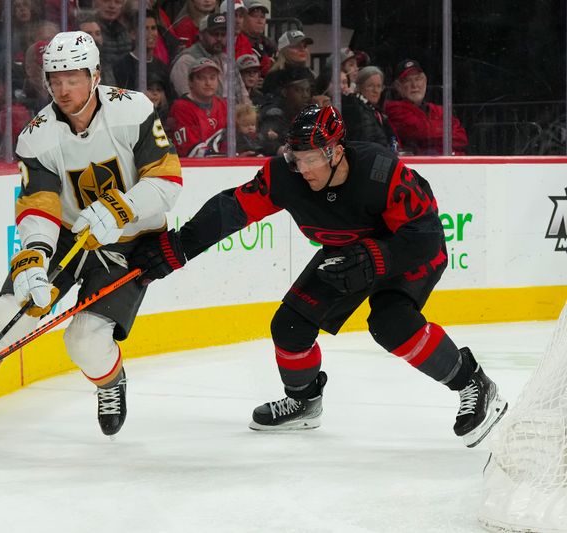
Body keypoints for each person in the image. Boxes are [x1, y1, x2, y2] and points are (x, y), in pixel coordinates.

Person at [129, 104, 508, 448]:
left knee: (391, 323)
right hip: (348, 255)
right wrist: (176, 248)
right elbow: (232, 209)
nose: (304, 168)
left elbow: (425, 237)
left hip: (405, 254)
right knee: (290, 327)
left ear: (336, 151)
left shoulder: (381, 172)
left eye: (312, 158)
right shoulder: (284, 176)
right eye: (298, 158)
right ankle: (304, 401)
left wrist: (377, 256)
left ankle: (472, 382)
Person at [0, 30, 182, 440]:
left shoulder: (133, 110)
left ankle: (111, 382)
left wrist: (119, 209)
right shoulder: (37, 136)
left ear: (95, 75)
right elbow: (39, 206)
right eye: (55, 79)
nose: (64, 89)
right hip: (70, 238)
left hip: (129, 243)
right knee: (6, 313)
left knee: (85, 340)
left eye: (73, 78)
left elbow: (166, 182)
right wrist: (34, 256)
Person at [384, 59, 469, 155]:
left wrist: (433, 132)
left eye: (418, 79)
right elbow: (422, 132)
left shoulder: (439, 110)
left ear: (425, 81)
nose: (415, 85)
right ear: (398, 86)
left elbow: (462, 138)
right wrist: (446, 132)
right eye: (407, 80)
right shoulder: (394, 109)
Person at [169, 12, 250, 106]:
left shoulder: (227, 60)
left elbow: (243, 98)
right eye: (214, 34)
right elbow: (189, 103)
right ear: (201, 35)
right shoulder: (186, 61)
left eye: (223, 34)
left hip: (232, 117)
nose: (219, 38)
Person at [168, 57, 227, 158]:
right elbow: (193, 152)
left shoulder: (223, 105)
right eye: (201, 78)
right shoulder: (181, 108)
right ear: (191, 82)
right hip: (192, 169)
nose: (208, 83)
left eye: (212, 78)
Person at [340, 65, 398, 149]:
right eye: (370, 86)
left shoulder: (376, 112)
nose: (375, 91)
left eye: (379, 86)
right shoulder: (354, 108)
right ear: (359, 87)